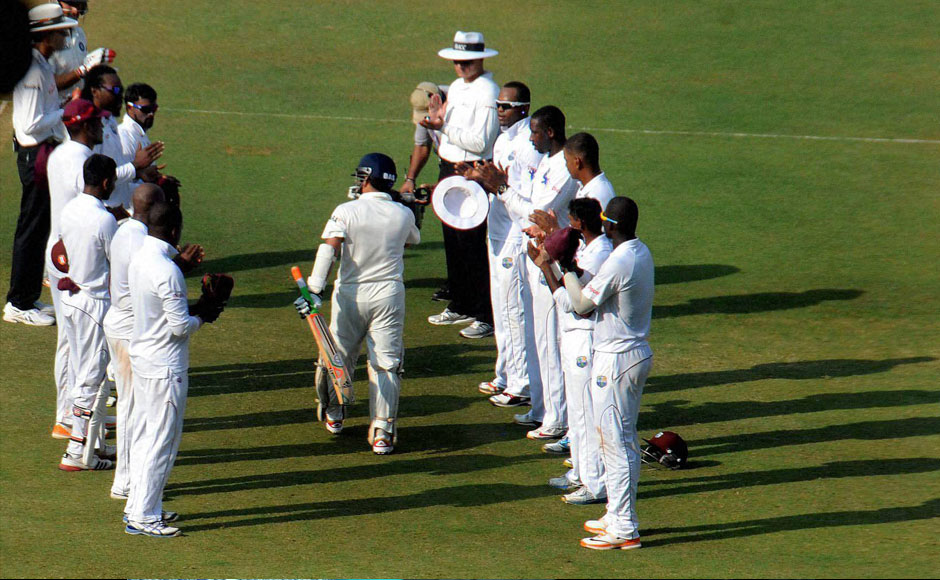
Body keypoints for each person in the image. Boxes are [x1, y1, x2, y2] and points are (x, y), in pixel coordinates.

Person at [468, 106, 580, 439]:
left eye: (534, 132)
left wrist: (502, 189)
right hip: (537, 259)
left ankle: (557, 419)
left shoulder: (562, 169)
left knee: (548, 343)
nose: (529, 139)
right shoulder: (546, 161)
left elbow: (535, 215)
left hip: (550, 264)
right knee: (535, 338)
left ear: (550, 132)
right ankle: (542, 408)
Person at [297, 153, 420, 455]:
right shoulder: (403, 214)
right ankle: (382, 430)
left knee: (337, 357)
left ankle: (334, 413)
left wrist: (314, 289)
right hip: (389, 296)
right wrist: (408, 205)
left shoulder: (346, 210)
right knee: (386, 365)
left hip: (350, 295)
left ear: (365, 178)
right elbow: (412, 240)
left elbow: (330, 248)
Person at [552, 196, 654, 550]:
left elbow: (581, 306)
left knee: (617, 442)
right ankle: (616, 513)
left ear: (611, 225)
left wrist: (564, 269)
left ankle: (625, 527)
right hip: (630, 353)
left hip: (617, 358)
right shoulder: (640, 252)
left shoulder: (619, 260)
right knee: (616, 438)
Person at [125, 201, 218, 537]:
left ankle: (138, 506)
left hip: (144, 358)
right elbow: (180, 327)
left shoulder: (142, 257)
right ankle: (145, 516)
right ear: (176, 231)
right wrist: (205, 314)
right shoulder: (167, 271)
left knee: (146, 436)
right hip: (165, 365)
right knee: (162, 441)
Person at [529, 198, 612, 506]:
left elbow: (571, 303)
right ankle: (580, 473)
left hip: (585, 338)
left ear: (579, 222)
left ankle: (594, 483)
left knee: (584, 412)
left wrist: (546, 267)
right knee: (578, 413)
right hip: (574, 336)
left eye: (570, 220)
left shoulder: (599, 253)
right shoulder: (588, 249)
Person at [422, 31, 500, 339]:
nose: (461, 66)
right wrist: (438, 121)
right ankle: (462, 303)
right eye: (457, 61)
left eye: (466, 61)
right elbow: (452, 133)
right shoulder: (456, 86)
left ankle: (486, 313)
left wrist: (444, 126)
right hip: (449, 168)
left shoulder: (487, 91)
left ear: (480, 59)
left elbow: (481, 141)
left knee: (471, 243)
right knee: (453, 241)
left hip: (472, 172)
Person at [4, 2, 77, 327]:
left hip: (42, 152)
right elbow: (30, 124)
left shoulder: (41, 64)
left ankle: (27, 297)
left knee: (38, 226)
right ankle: (17, 304)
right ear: (46, 35)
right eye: (61, 30)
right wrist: (67, 113)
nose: (66, 35)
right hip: (35, 155)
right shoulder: (34, 70)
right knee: (32, 229)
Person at [476, 81, 543, 405]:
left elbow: (528, 200)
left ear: (524, 109)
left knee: (514, 310)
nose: (500, 111)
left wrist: (497, 185)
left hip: (516, 234)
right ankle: (505, 372)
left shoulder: (529, 147)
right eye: (498, 106)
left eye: (506, 106)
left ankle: (521, 384)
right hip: (497, 229)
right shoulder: (503, 139)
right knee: (500, 309)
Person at [45, 97, 107, 439]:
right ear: (83, 125)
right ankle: (68, 418)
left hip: (62, 254)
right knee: (75, 341)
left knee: (74, 340)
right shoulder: (80, 159)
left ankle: (80, 414)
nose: (101, 125)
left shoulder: (60, 153)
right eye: (96, 121)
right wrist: (133, 170)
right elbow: (92, 196)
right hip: (72, 259)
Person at [57, 153, 119, 471]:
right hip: (94, 304)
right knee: (91, 378)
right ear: (107, 182)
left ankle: (95, 445)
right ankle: (75, 451)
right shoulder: (104, 219)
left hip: (71, 301)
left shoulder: (70, 209)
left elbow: (58, 250)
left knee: (87, 374)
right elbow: (117, 260)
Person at [103, 183, 164, 500]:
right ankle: (125, 482)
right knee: (133, 407)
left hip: (118, 323)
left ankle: (127, 479)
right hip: (129, 329)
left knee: (132, 406)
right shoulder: (142, 242)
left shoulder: (124, 228)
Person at [81, 65, 164, 214]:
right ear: (95, 91)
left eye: (154, 109)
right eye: (115, 91)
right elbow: (97, 180)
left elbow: (122, 178)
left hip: (119, 209)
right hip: (106, 210)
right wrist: (136, 167)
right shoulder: (99, 132)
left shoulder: (110, 122)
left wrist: (154, 182)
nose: (120, 96)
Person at [49, 0, 115, 101]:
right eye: (71, 4)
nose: (75, 11)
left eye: (78, 5)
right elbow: (49, 85)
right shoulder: (46, 38)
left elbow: (83, 75)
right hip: (56, 109)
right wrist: (83, 70)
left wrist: (95, 65)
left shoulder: (79, 33)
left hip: (78, 106)